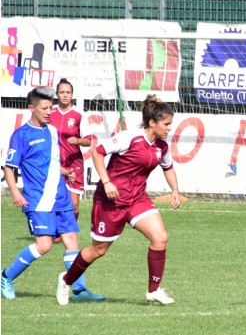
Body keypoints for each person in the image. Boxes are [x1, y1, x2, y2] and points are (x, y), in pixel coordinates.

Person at [56, 94, 181, 306]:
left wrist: (175, 189)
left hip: (137, 199)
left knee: (160, 238)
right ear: (152, 122)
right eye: (166, 124)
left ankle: (154, 290)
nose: (169, 128)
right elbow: (98, 153)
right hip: (110, 201)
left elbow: (168, 167)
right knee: (98, 250)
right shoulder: (128, 137)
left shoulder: (162, 146)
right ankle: (66, 281)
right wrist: (106, 182)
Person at [2, 87, 104, 302]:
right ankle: (5, 277)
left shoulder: (51, 131)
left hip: (61, 196)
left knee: (72, 244)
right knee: (44, 246)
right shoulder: (21, 135)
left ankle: (78, 290)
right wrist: (15, 193)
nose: (49, 112)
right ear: (32, 108)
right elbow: (9, 167)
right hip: (38, 199)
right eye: (44, 108)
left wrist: (65, 172)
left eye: (50, 107)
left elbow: (51, 162)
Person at [50, 78, 93, 229]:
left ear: (72, 94)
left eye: (68, 92)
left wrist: (78, 140)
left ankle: (69, 229)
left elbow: (89, 141)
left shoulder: (79, 114)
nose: (65, 95)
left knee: (74, 203)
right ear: (57, 94)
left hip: (74, 162)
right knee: (54, 199)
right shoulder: (50, 112)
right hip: (54, 162)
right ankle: (56, 231)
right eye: (62, 92)